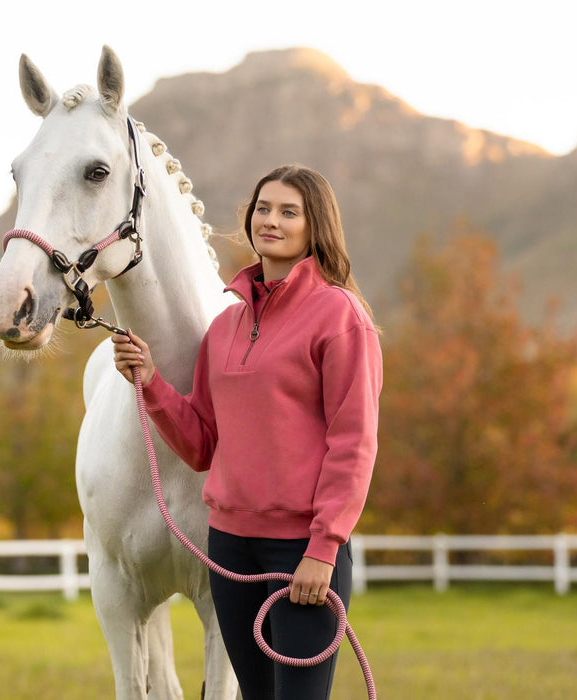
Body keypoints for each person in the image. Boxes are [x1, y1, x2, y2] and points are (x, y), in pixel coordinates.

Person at [112, 164, 382, 699]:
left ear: (315, 226)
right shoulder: (225, 327)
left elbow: (353, 445)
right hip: (230, 551)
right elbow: (202, 444)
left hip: (301, 552)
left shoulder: (340, 317)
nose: (271, 221)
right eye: (263, 208)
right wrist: (150, 382)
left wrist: (323, 549)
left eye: (289, 212)